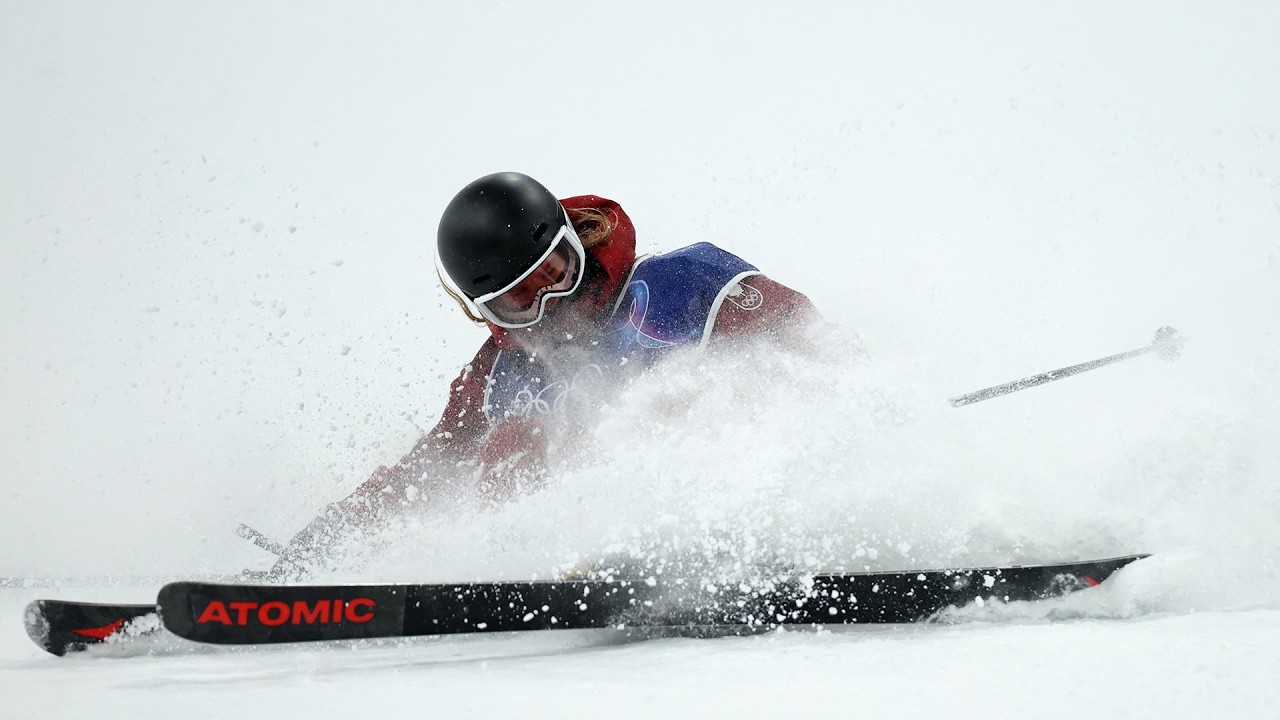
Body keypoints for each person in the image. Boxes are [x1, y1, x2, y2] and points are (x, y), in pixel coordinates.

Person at [275, 172, 824, 575]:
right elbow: (428, 471)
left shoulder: (681, 286)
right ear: (487, 314)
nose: (553, 307)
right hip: (589, 541)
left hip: (744, 492)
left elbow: (817, 344)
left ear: (575, 244)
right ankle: (549, 564)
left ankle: (743, 538)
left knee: (674, 396)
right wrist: (324, 543)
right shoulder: (496, 375)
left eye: (555, 274)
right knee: (514, 440)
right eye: (520, 302)